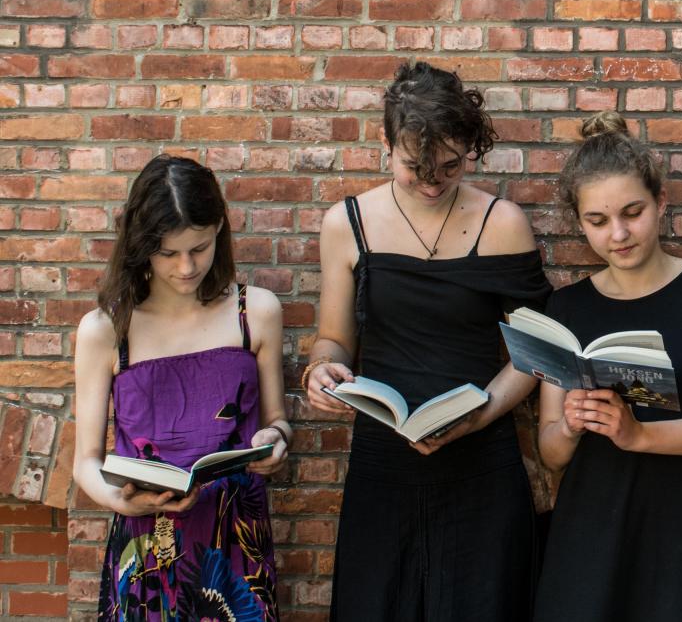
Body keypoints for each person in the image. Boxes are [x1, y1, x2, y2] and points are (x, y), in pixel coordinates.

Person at [303, 61, 552, 621]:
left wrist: (480, 415)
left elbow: (537, 354)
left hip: (481, 464)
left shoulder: (503, 222)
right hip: (382, 463)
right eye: (416, 166)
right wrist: (321, 370)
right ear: (386, 144)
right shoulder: (347, 223)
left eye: (450, 165)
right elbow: (334, 341)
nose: (433, 181)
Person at [532, 111, 682, 622]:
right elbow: (550, 451)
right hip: (589, 537)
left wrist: (639, 436)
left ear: (660, 203)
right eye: (597, 221)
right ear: (579, 222)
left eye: (632, 212)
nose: (618, 234)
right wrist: (569, 424)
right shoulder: (566, 309)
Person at [73, 154, 288, 620]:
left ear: (219, 234)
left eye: (201, 247)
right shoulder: (107, 329)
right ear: (140, 245)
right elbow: (85, 462)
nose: (188, 267)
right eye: (168, 253)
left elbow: (276, 421)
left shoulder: (257, 313)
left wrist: (277, 441)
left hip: (237, 543)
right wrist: (122, 500)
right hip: (148, 543)